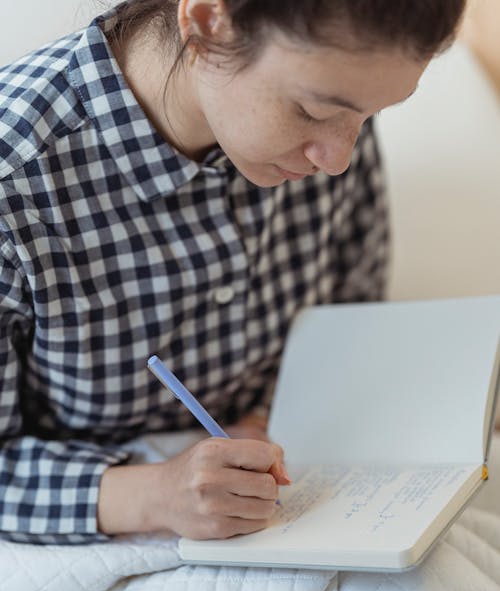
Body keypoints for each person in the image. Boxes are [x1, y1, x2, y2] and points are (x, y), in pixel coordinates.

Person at [0, 0, 466, 545]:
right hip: (89, 521)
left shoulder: (336, 123)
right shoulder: (16, 180)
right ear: (204, 23)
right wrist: (155, 495)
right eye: (313, 112)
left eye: (369, 116)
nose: (339, 158)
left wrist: (269, 420)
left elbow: (349, 325)